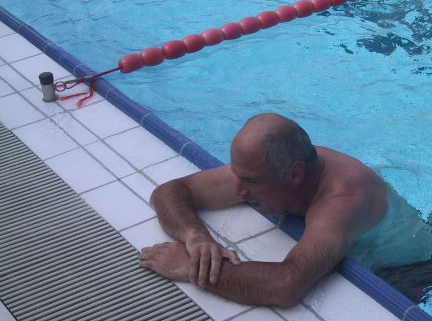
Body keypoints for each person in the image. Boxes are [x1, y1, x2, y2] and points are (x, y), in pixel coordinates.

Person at [138, 112, 388, 307]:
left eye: (251, 181)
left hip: (398, 267)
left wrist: (190, 267)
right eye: (239, 176)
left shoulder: (342, 201)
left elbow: (286, 286)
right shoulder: (270, 165)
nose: (239, 191)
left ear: (295, 174)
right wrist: (195, 235)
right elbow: (170, 191)